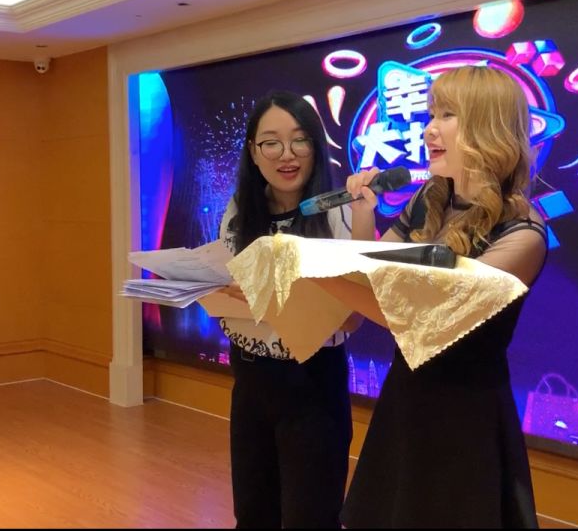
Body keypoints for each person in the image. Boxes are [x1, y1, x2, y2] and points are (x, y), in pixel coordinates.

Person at [316, 66, 548, 528]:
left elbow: (425, 318)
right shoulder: (428, 199)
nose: (429, 129)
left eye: (447, 115)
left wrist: (311, 270)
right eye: (430, 115)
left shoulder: (523, 233)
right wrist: (362, 212)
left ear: (489, 126)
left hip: (465, 421)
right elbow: (371, 270)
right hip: (406, 400)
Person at [217, 89, 355, 529]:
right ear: (253, 152)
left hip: (312, 384)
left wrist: (278, 297)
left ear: (315, 146)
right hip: (250, 381)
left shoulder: (337, 213)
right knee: (252, 514)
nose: (286, 154)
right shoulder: (239, 212)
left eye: (299, 140)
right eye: (271, 143)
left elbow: (353, 317)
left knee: (310, 517)